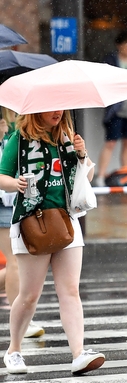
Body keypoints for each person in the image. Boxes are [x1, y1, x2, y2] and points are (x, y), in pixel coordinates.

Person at [0, 110, 105, 375]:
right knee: (29, 295)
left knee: (70, 290)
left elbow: (87, 178)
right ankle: (13, 351)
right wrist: (16, 183)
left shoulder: (68, 137)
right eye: (52, 108)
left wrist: (81, 154)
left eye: (61, 108)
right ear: (36, 110)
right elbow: (1, 176)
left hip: (67, 221)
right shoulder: (20, 139)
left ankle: (79, 353)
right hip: (31, 222)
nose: (58, 112)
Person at [0, 107, 44, 338]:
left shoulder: (11, 137)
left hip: (11, 203)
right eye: (3, 123)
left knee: (15, 262)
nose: (6, 127)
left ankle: (23, 319)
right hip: (4, 204)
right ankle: (22, 323)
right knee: (15, 262)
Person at [98, 31, 127, 187]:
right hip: (116, 108)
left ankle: (126, 177)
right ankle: (101, 176)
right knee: (111, 142)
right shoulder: (111, 60)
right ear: (119, 45)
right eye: (126, 43)